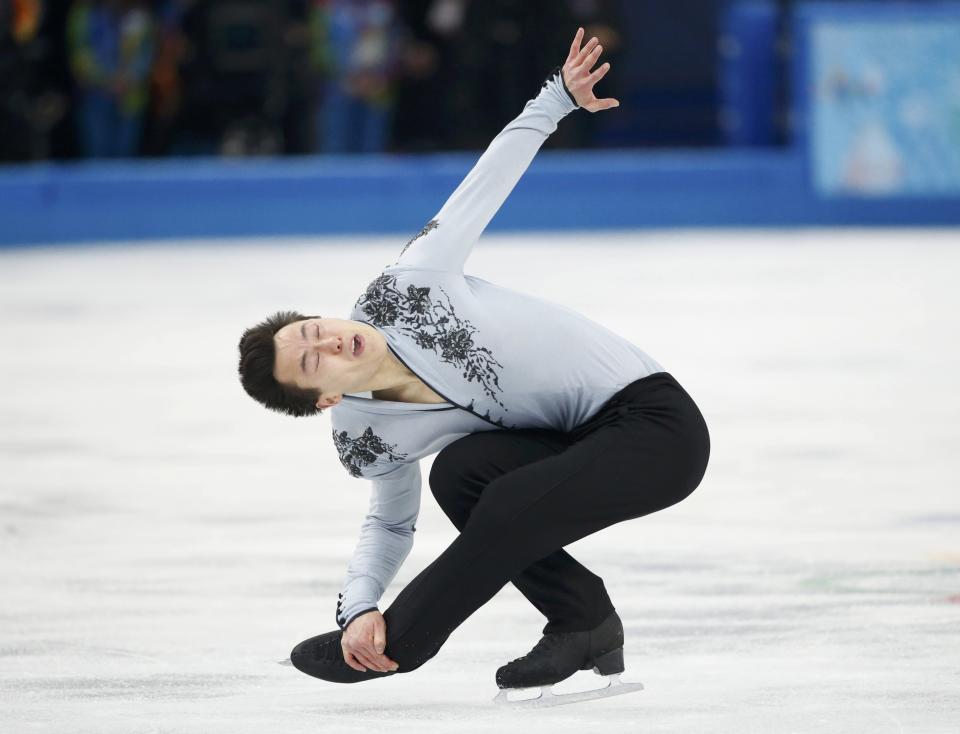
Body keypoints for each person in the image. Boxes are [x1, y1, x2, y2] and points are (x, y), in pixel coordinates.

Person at [237, 28, 710, 705]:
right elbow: (390, 524)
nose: (334, 343)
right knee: (461, 476)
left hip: (655, 426)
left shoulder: (406, 289)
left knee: (511, 500)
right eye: (313, 363)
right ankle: (584, 620)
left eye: (317, 330)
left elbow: (485, 181)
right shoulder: (364, 437)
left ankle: (400, 646)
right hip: (573, 444)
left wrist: (557, 100)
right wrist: (357, 605)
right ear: (322, 402)